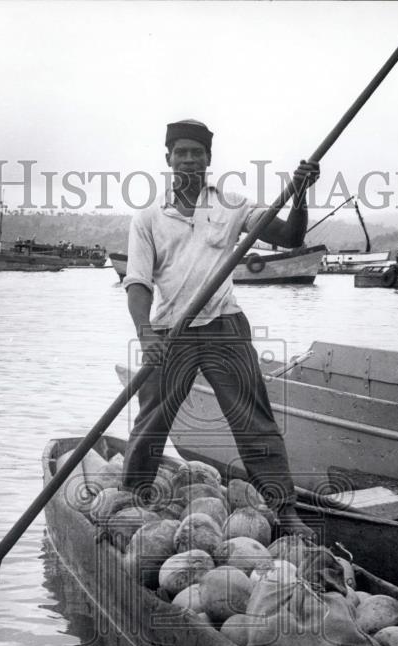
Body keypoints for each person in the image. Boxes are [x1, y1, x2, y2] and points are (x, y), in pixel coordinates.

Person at [122, 119, 319, 540]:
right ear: (168, 159)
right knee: (151, 421)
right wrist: (145, 333)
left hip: (224, 326)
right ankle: (134, 498)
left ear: (209, 160)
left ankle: (286, 512)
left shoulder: (233, 206)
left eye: (197, 152)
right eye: (181, 152)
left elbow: (290, 237)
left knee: (254, 421)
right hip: (170, 331)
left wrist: (301, 194)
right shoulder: (148, 218)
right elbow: (137, 281)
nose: (189, 159)